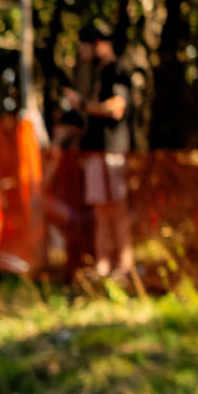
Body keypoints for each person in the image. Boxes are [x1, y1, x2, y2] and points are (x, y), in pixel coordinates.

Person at [79, 28, 139, 289]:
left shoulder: (117, 70)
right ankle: (103, 270)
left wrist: (83, 105)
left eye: (83, 46)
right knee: (101, 211)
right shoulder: (99, 73)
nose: (81, 53)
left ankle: (125, 270)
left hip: (112, 151)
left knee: (117, 209)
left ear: (98, 44)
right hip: (95, 153)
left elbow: (116, 108)